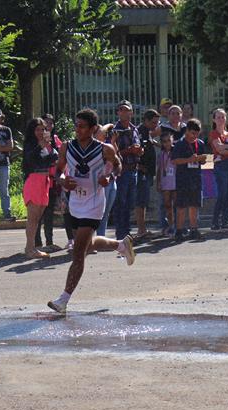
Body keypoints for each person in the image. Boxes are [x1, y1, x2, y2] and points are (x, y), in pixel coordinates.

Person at [47, 108, 135, 314]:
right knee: (85, 245)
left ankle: (63, 300)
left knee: (78, 252)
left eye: (82, 126)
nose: (77, 130)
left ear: (93, 129)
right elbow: (58, 170)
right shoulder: (67, 147)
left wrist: (109, 178)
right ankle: (121, 244)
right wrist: (62, 181)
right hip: (75, 202)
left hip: (95, 203)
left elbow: (118, 166)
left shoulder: (105, 149)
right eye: (76, 125)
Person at [21, 117, 56, 259]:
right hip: (34, 181)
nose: (41, 132)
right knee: (32, 218)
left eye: (43, 129)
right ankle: (30, 249)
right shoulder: (31, 145)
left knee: (37, 218)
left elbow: (52, 158)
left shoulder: (43, 145)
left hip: (45, 181)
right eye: (38, 129)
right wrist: (40, 146)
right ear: (32, 131)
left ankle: (32, 248)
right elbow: (30, 160)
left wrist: (49, 146)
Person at [171, 119, 208, 241]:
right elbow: (175, 160)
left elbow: (204, 160)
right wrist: (189, 159)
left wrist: (201, 159)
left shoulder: (200, 143)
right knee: (181, 206)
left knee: (194, 205)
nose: (195, 136)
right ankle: (179, 230)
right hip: (183, 178)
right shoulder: (180, 144)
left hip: (196, 178)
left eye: (197, 134)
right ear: (187, 131)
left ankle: (194, 229)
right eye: (193, 133)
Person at [110, 100, 142, 241]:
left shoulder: (135, 129)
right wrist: (129, 150)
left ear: (131, 112)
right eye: (121, 110)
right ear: (118, 112)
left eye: (127, 110)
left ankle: (127, 232)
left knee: (130, 203)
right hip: (122, 172)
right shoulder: (114, 131)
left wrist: (139, 151)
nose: (125, 112)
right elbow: (112, 153)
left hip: (133, 169)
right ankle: (120, 232)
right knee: (120, 203)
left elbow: (139, 147)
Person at [35, 114, 64, 252]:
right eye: (46, 124)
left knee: (49, 214)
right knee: (37, 214)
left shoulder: (55, 140)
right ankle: (37, 244)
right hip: (39, 182)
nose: (49, 126)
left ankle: (49, 242)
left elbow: (60, 157)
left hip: (52, 182)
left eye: (51, 123)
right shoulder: (35, 142)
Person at [134, 109, 160, 239]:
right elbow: (136, 150)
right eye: (154, 122)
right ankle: (141, 229)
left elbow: (151, 143)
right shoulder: (139, 132)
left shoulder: (147, 133)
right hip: (142, 172)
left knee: (144, 201)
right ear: (146, 120)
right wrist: (139, 166)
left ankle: (142, 229)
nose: (156, 125)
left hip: (148, 172)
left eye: (157, 122)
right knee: (141, 201)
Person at [95, 123, 117, 238]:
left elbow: (118, 159)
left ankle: (100, 237)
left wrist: (113, 142)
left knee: (106, 212)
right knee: (100, 212)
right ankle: (95, 238)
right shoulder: (95, 147)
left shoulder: (108, 146)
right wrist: (109, 125)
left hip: (112, 180)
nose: (105, 133)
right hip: (101, 182)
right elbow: (100, 133)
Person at [156, 131, 177, 236]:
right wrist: (158, 182)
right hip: (165, 182)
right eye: (164, 141)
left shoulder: (176, 152)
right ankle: (170, 225)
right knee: (167, 205)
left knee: (176, 205)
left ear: (172, 140)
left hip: (175, 181)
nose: (167, 143)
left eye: (169, 140)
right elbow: (159, 169)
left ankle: (178, 226)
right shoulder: (161, 154)